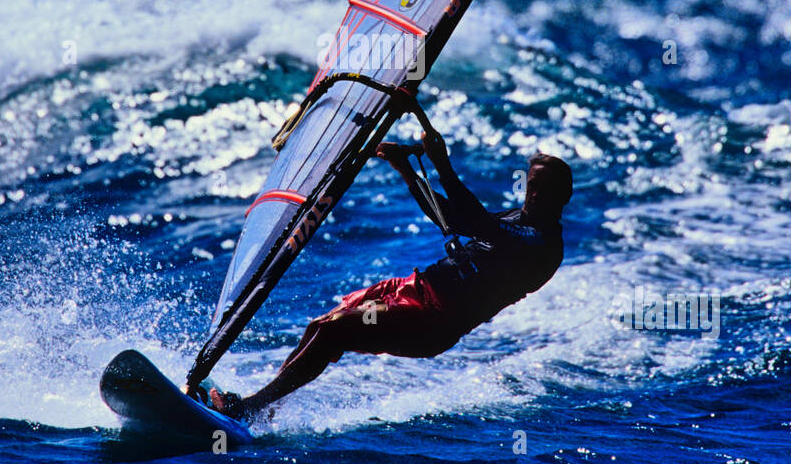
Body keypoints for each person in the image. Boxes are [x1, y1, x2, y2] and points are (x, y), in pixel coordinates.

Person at [203, 132, 572, 422]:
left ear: (562, 197)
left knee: (336, 331)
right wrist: (406, 170)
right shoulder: (517, 218)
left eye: (544, 189)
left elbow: (478, 223)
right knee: (321, 325)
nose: (534, 193)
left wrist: (442, 164)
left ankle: (249, 407)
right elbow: (453, 219)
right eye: (532, 184)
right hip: (412, 288)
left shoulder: (542, 246)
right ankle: (265, 408)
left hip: (433, 321)